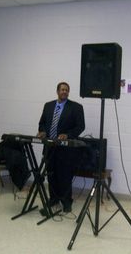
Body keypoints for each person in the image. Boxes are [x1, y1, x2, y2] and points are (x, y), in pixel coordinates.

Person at [37, 82, 85, 213]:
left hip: (65, 149)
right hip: (49, 147)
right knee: (51, 175)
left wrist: (68, 135)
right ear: (57, 91)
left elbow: (80, 126)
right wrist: (42, 131)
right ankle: (53, 199)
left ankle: (66, 202)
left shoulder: (76, 107)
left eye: (67, 90)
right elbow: (42, 123)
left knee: (64, 175)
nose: (65, 92)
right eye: (62, 90)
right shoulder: (48, 106)